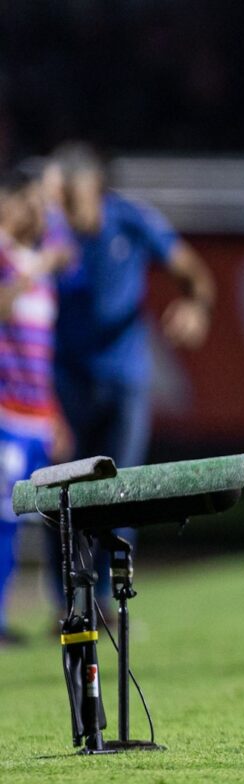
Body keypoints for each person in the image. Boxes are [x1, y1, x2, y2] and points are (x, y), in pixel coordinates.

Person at [50, 144, 214, 598]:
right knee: (60, 495)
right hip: (66, 379)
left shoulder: (131, 220)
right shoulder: (51, 233)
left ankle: (110, 599)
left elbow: (191, 270)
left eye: (72, 190)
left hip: (124, 376)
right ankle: (66, 603)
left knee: (121, 492)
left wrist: (196, 305)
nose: (66, 202)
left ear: (95, 186)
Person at [0, 169, 72, 644]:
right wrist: (33, 269)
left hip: (37, 415)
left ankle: (62, 613)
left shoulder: (37, 268)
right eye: (33, 203)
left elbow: (41, 355)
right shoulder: (12, 263)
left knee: (52, 518)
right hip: (5, 414)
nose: (40, 213)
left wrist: (55, 414)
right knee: (4, 519)